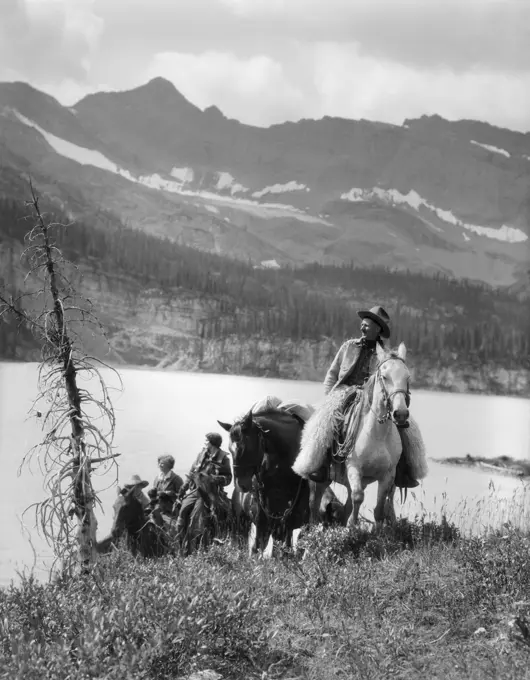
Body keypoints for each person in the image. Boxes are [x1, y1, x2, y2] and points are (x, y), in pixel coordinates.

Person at [296, 305, 418, 488]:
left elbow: (389, 381)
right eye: (362, 324)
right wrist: (330, 396)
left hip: (371, 399)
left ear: (378, 329)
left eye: (367, 325)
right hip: (342, 395)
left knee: (405, 428)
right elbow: (332, 374)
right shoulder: (348, 347)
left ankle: (403, 471)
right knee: (324, 423)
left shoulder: (385, 356)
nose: (363, 328)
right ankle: (317, 464)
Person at [174, 432, 232, 545]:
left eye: (206, 441)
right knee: (183, 509)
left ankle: (218, 537)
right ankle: (181, 541)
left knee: (211, 513)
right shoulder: (201, 455)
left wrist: (213, 479)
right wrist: (182, 489)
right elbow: (191, 473)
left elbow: (228, 478)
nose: (205, 443)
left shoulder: (224, 458)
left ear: (212, 443)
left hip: (212, 492)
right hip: (196, 490)